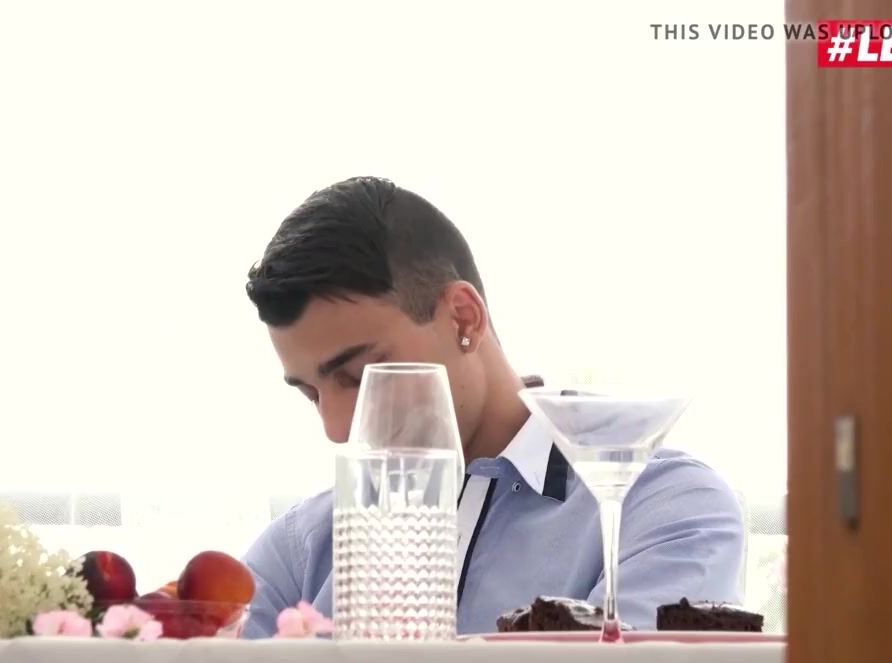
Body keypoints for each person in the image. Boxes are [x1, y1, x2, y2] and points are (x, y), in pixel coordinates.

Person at [240, 176, 745, 636]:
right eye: (311, 393)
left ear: (464, 318)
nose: (336, 428)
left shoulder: (660, 506)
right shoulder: (300, 549)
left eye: (359, 376)